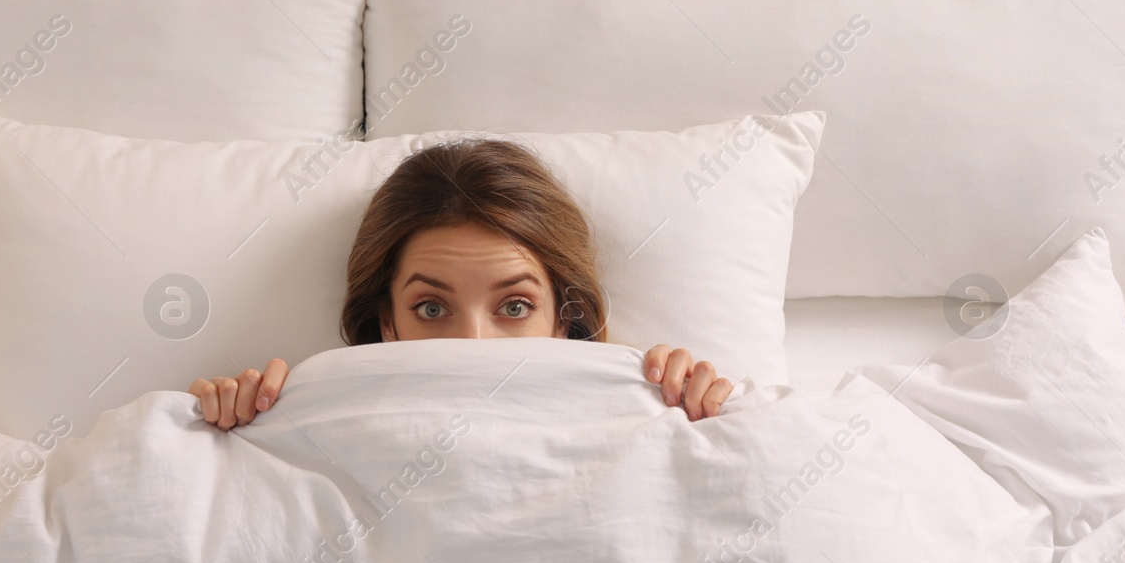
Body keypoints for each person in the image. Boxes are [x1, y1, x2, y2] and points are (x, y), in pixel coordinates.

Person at [189, 138, 734, 429]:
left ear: (564, 318)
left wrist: (694, 411)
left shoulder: (645, 413)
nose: (474, 345)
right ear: (388, 325)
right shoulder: (319, 420)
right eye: (431, 309)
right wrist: (231, 423)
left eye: (515, 307)